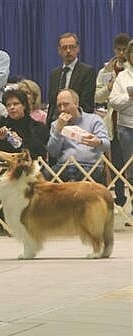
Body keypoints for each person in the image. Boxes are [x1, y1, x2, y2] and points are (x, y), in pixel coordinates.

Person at [0, 89, 49, 236]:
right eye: (8, 104)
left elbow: (40, 152)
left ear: (24, 106)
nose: (12, 107)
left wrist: (22, 141)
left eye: (16, 104)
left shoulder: (36, 126)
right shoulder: (0, 123)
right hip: (3, 169)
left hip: (28, 169)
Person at [95, 33, 130, 206]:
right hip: (112, 123)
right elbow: (97, 97)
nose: (122, 53)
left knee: (130, 163)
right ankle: (119, 197)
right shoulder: (105, 71)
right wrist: (108, 88)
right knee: (116, 162)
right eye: (119, 49)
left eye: (125, 50)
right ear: (114, 49)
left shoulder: (129, 70)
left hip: (128, 120)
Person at [46, 89, 110, 183]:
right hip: (64, 167)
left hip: (90, 167)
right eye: (59, 106)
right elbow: (52, 152)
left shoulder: (94, 120)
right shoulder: (56, 124)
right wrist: (58, 131)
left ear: (76, 103)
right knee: (44, 177)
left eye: (66, 104)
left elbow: (106, 145)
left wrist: (98, 142)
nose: (62, 109)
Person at [46, 33, 96, 127]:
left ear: (78, 49)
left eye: (71, 47)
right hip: (55, 123)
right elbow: (52, 103)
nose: (68, 51)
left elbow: (87, 104)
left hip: (77, 124)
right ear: (59, 51)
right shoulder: (54, 74)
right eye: (64, 48)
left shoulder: (87, 72)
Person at [109, 39, 133, 213]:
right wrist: (129, 98)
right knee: (130, 169)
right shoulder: (122, 76)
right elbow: (113, 101)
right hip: (126, 127)